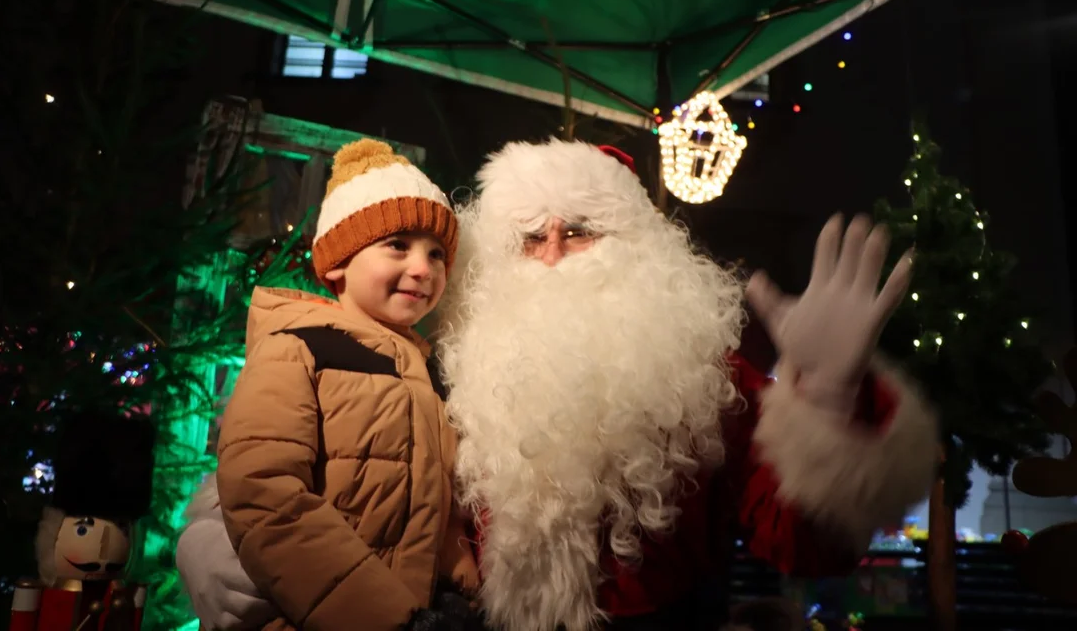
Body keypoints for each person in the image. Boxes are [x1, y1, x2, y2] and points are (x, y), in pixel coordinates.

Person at [178, 139, 940, 631]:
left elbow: (804, 544)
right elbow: (313, 460)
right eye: (528, 237)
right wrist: (220, 537)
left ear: (638, 247)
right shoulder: (441, 360)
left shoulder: (702, 373)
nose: (550, 256)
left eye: (578, 230)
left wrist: (831, 399)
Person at [188, 139, 481, 631]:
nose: (423, 269)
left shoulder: (430, 378)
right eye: (398, 245)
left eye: (436, 254)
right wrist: (390, 620)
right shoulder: (297, 347)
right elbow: (264, 491)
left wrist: (462, 591)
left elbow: (437, 505)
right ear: (340, 260)